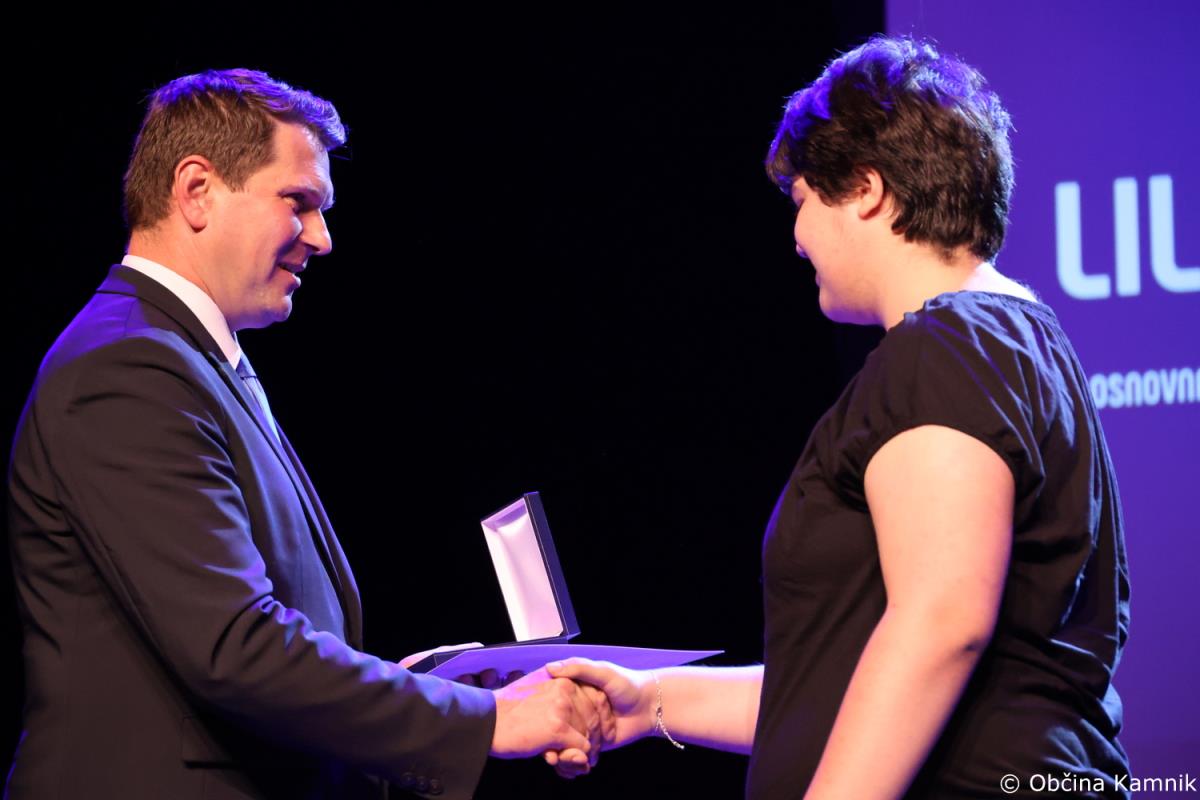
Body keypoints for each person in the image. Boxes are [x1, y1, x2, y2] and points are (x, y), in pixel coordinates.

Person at [547, 36, 1132, 799]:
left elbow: (940, 622)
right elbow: (849, 687)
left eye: (801, 202)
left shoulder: (943, 348)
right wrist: (650, 701)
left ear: (865, 190)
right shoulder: (1018, 340)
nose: (796, 240)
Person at [6, 69, 603, 799]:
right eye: (299, 203)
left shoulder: (189, 357)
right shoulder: (128, 366)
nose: (321, 238)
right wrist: (487, 720)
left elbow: (252, 628)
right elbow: (234, 647)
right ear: (196, 190)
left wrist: (419, 684)